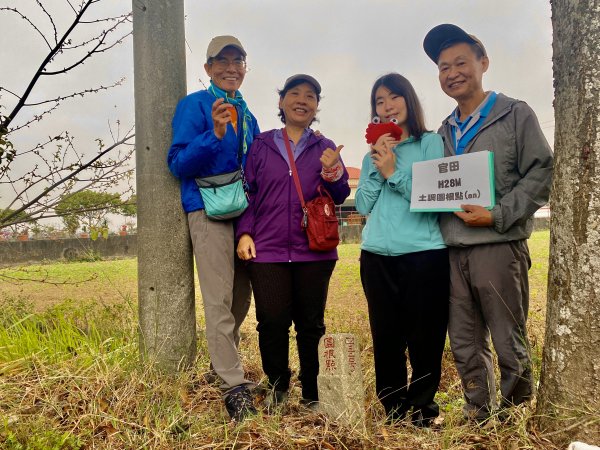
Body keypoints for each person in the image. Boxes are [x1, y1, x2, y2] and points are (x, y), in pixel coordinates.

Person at [422, 24, 554, 421]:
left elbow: (541, 172)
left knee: (506, 332)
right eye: (443, 67)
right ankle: (477, 406)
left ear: (483, 63)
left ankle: (515, 409)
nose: (452, 73)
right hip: (451, 249)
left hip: (497, 245)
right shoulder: (443, 131)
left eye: (461, 62)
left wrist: (496, 214)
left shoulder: (514, 113)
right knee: (463, 337)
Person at [236, 74, 350, 411]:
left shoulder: (325, 146)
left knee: (310, 324)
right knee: (271, 320)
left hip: (314, 250)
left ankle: (312, 392)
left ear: (316, 106)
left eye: (311, 95)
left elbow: (341, 196)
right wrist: (244, 231)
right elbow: (247, 192)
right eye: (295, 93)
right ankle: (277, 385)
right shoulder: (261, 144)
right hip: (267, 249)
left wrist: (333, 173)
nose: (303, 99)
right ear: (282, 102)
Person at [167, 35, 260, 422]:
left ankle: (221, 361)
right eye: (221, 61)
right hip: (206, 209)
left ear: (244, 67)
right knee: (219, 299)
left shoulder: (248, 113)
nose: (230, 68)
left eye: (237, 61)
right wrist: (215, 134)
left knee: (241, 297)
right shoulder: (195, 105)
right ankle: (234, 386)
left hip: (244, 213)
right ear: (207, 68)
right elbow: (178, 163)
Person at [355, 73, 449, 427]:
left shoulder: (429, 144)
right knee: (386, 337)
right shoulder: (372, 155)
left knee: (425, 337)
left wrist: (395, 171)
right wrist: (380, 165)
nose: (387, 105)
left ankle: (423, 409)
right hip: (376, 255)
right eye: (380, 101)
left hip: (424, 254)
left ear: (409, 101)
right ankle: (393, 409)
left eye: (394, 97)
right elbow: (363, 205)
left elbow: (433, 199)